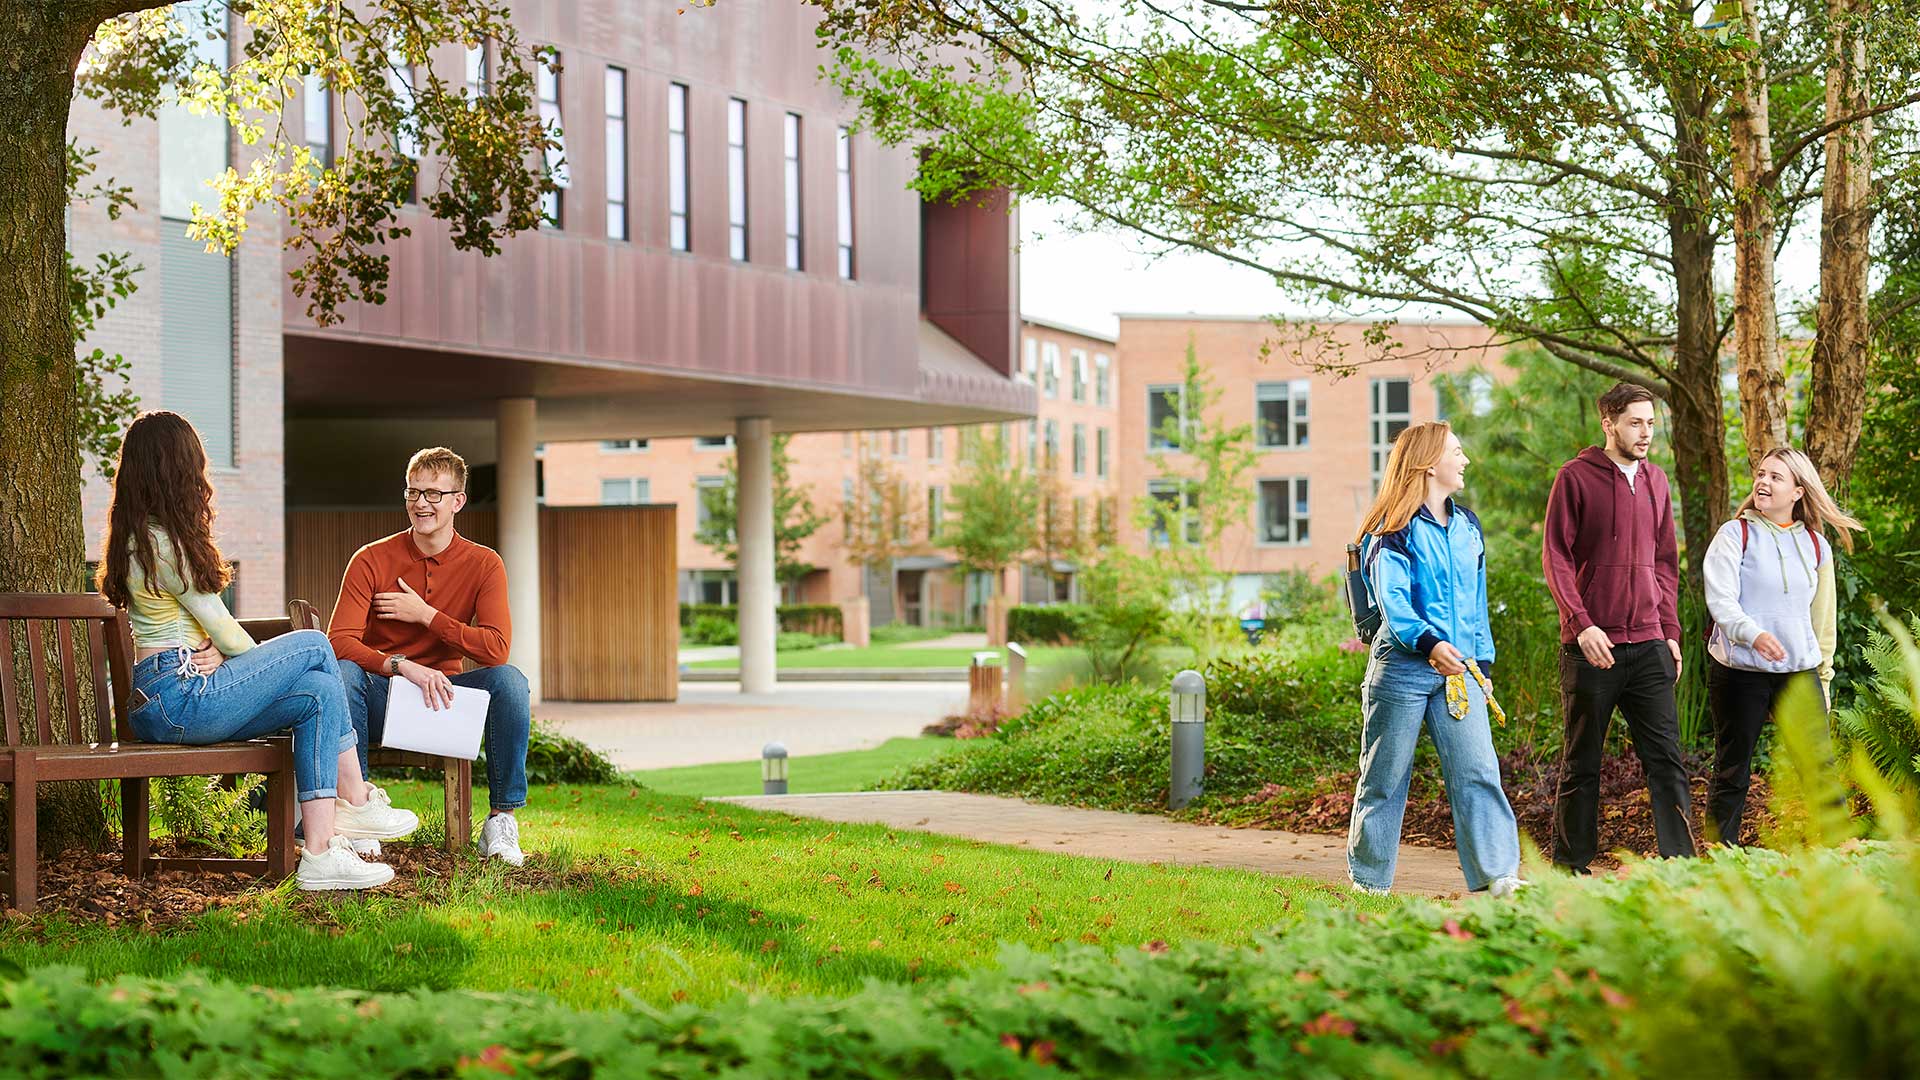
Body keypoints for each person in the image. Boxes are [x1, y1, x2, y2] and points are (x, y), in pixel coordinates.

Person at [97, 411, 418, 891]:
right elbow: (226, 633)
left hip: (169, 695)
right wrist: (238, 658)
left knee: (316, 693)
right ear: (177, 470)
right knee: (313, 644)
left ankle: (322, 852)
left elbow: (207, 633)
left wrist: (230, 659)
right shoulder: (163, 544)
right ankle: (356, 797)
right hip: (180, 695)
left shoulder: (136, 537)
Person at [326, 447, 531, 866]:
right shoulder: (370, 559)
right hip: (383, 696)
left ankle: (501, 819)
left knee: (510, 681)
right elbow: (338, 643)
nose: (422, 503)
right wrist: (402, 666)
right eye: (414, 492)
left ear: (458, 500)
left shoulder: (484, 563)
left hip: (444, 700)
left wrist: (428, 616)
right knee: (344, 672)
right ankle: (361, 809)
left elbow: (496, 648)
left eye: (434, 494)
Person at [1347, 421, 1524, 896]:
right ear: (1429, 465)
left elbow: (1477, 601)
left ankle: (1499, 877)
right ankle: (1369, 883)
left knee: (1479, 772)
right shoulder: (1391, 530)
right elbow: (1394, 602)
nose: (1465, 460)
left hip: (1460, 671)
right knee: (1384, 778)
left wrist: (1481, 665)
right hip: (1403, 668)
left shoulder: (1468, 526)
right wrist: (1428, 644)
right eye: (1457, 452)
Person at [1543, 382, 1697, 872]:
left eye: (1651, 422)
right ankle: (1571, 868)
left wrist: (1670, 633)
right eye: (1635, 422)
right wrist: (1580, 623)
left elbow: (1666, 563)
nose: (1645, 431)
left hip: (1649, 642)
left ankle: (1682, 867)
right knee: (1582, 761)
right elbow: (1556, 558)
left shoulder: (1657, 481)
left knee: (1667, 762)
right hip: (1593, 647)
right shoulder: (1575, 477)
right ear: (1608, 424)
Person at [1704, 447, 1864, 844]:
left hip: (1799, 674)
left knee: (1819, 770)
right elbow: (1720, 600)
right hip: (1740, 673)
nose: (1763, 482)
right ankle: (1716, 861)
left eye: (1776, 477)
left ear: (1797, 491)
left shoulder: (1815, 546)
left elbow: (1822, 623)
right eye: (1761, 474)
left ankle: (1841, 855)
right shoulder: (1734, 534)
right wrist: (1752, 633)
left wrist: (1823, 681)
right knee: (1732, 770)